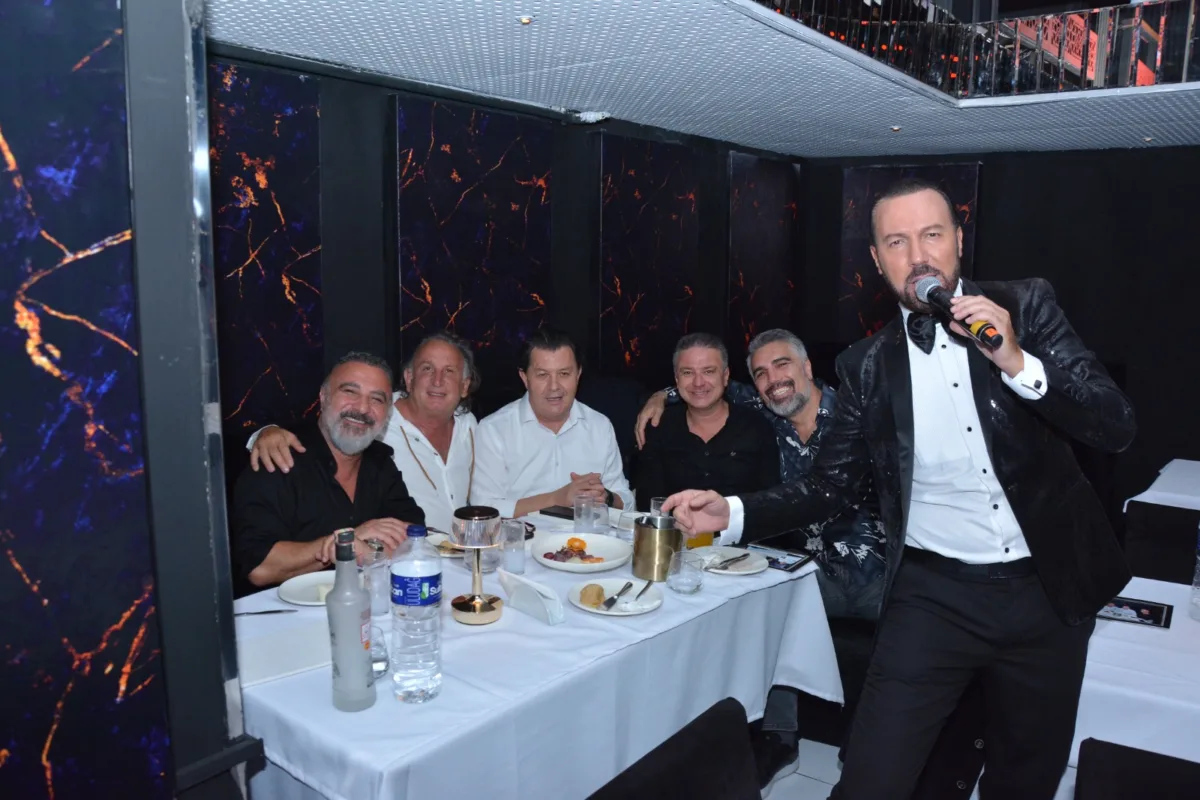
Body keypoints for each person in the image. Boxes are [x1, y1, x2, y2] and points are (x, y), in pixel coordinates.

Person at [663, 178, 1135, 799]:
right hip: (934, 594)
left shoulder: (1026, 306)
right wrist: (730, 512)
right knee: (871, 778)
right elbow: (829, 485)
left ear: (959, 240)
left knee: (1026, 777)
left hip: (1048, 588)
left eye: (932, 234)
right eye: (896, 241)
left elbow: (1114, 425)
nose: (918, 255)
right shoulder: (865, 365)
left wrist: (1017, 361)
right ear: (877, 260)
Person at [636, 329, 886, 617]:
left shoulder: (857, 416)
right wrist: (661, 396)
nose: (774, 380)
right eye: (761, 374)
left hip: (873, 577)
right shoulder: (767, 412)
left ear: (807, 367)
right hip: (801, 574)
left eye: (782, 364)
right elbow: (704, 389)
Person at [247, 331, 479, 532]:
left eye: (449, 371)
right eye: (427, 368)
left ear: (465, 385)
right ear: (409, 378)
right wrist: (265, 433)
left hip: (458, 555)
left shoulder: (469, 425)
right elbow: (325, 424)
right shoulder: (374, 420)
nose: (437, 381)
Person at [232, 352, 425, 590]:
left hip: (363, 603)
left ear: (387, 414)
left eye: (376, 399)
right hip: (280, 610)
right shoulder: (279, 457)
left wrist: (367, 547)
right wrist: (345, 541)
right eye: (350, 392)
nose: (362, 408)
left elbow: (412, 536)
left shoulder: (380, 461)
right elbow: (259, 567)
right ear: (323, 397)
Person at [473, 327, 633, 519]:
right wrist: (557, 498)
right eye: (543, 375)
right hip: (521, 537)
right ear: (525, 377)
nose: (554, 386)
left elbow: (626, 501)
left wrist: (605, 497)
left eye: (564, 374)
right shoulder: (494, 430)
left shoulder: (599, 426)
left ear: (578, 374)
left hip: (589, 535)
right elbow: (484, 507)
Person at [636, 333, 779, 511]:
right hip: (674, 528)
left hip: (742, 529)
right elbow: (648, 505)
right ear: (676, 379)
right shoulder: (659, 427)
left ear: (725, 376)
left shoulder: (757, 427)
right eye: (688, 372)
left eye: (708, 371)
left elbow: (770, 505)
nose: (698, 382)